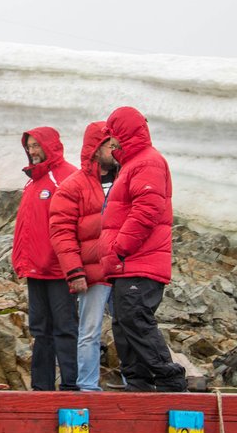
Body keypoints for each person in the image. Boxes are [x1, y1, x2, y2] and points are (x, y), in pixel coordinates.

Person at [98, 106, 187, 392]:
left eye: (114, 135)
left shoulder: (147, 162)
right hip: (129, 262)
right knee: (124, 323)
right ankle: (138, 382)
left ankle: (169, 378)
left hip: (139, 260)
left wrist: (120, 248)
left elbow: (146, 211)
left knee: (134, 318)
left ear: (124, 133)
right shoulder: (133, 163)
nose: (112, 142)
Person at [49, 121, 118, 391]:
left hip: (123, 270)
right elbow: (61, 232)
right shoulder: (73, 186)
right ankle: (88, 387)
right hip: (92, 271)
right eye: (111, 146)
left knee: (128, 327)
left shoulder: (125, 178)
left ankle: (134, 384)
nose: (116, 151)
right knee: (89, 331)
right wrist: (75, 271)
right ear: (96, 148)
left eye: (118, 146)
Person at [12, 127, 78, 391]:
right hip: (35, 268)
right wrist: (20, 260)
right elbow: (26, 226)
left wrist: (75, 264)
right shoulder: (33, 181)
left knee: (65, 327)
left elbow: (79, 222)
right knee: (40, 329)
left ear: (50, 146)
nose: (32, 151)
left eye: (36, 146)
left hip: (60, 268)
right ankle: (42, 387)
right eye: (29, 146)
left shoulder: (68, 177)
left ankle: (72, 385)